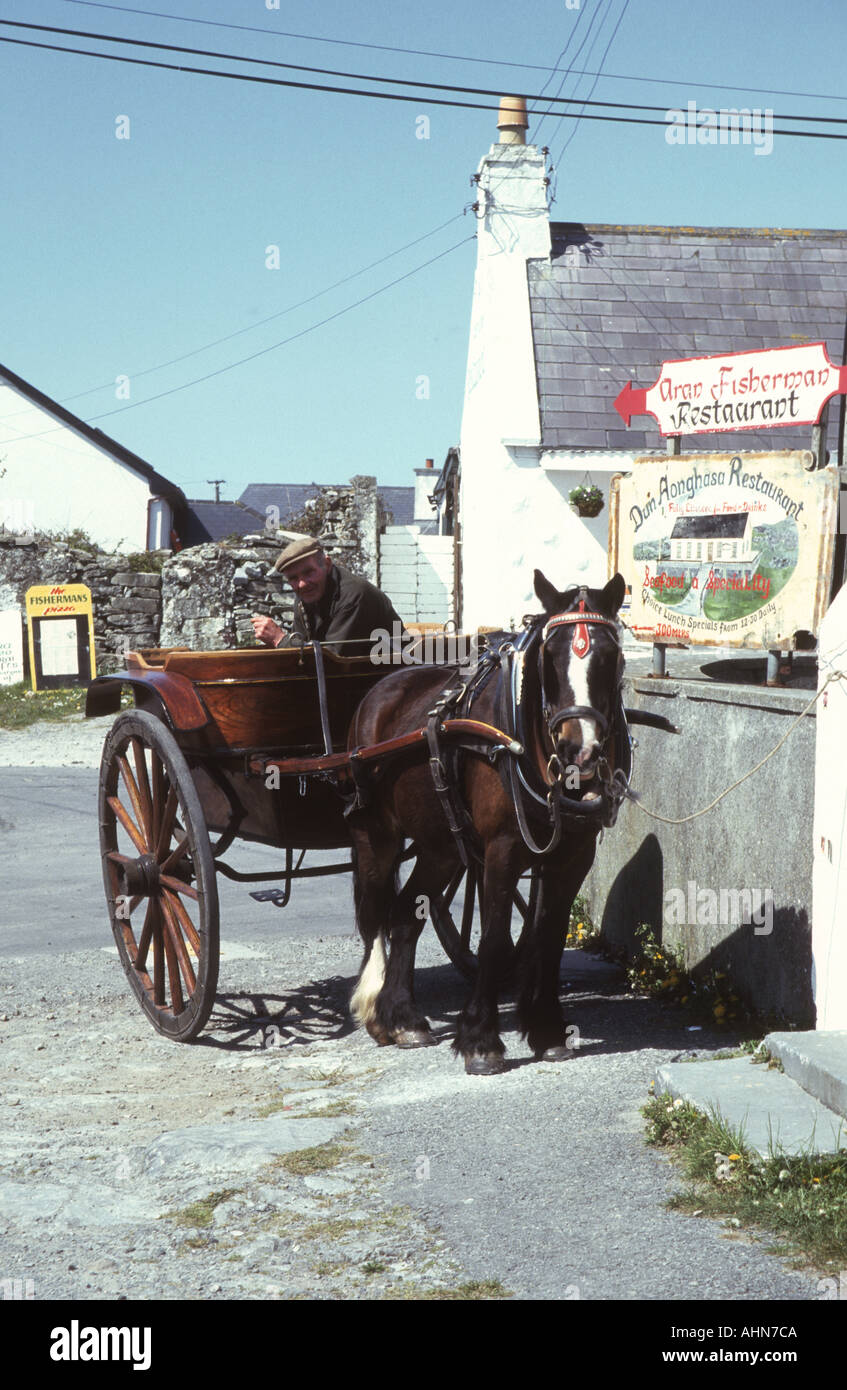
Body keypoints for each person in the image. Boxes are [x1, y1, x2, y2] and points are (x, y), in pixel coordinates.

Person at [251, 537, 406, 658]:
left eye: (308, 572)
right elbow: (302, 649)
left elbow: (333, 661)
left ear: (327, 564)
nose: (302, 584)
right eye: (293, 578)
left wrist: (280, 640)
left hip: (395, 676)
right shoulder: (307, 594)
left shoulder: (354, 596)